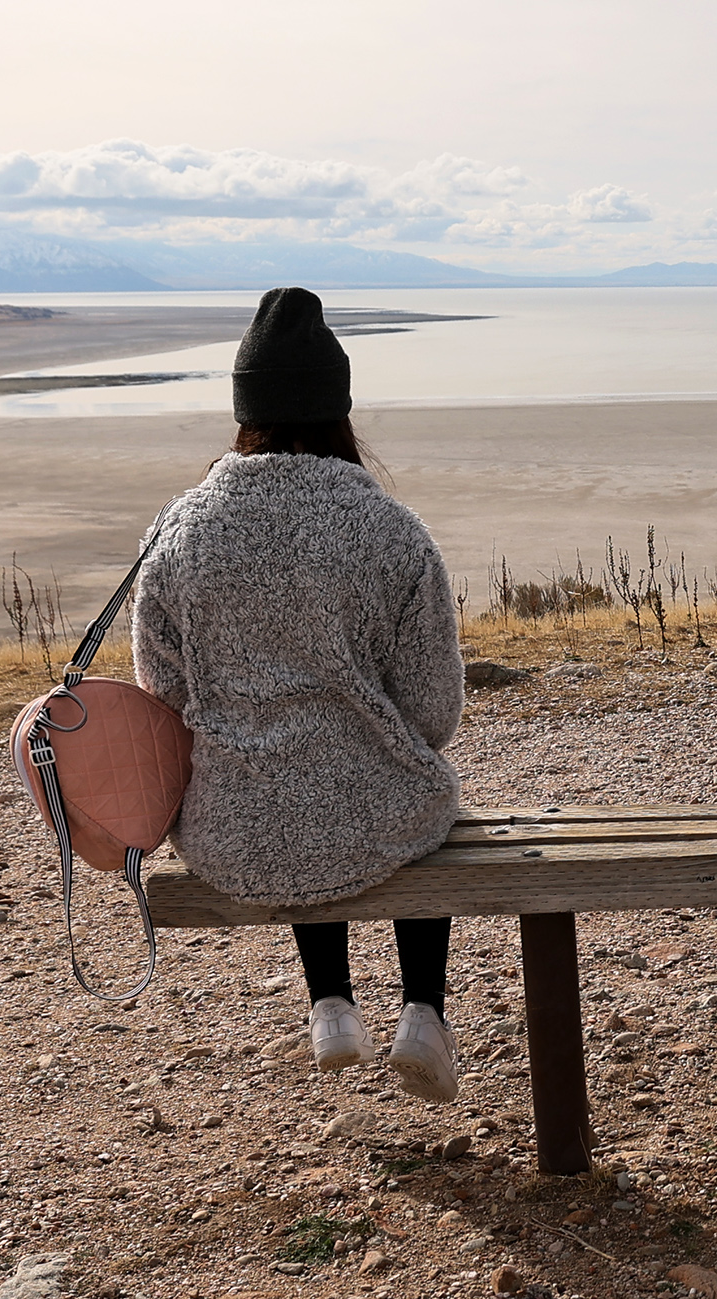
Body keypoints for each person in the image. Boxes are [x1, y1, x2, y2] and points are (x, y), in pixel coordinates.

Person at [131, 287, 467, 1103]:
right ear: (338, 407)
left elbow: (161, 690)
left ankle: (331, 1006)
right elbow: (431, 714)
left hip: (231, 830)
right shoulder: (391, 530)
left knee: (296, 788)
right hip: (374, 815)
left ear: (244, 407)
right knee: (406, 789)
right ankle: (423, 1013)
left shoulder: (181, 528)